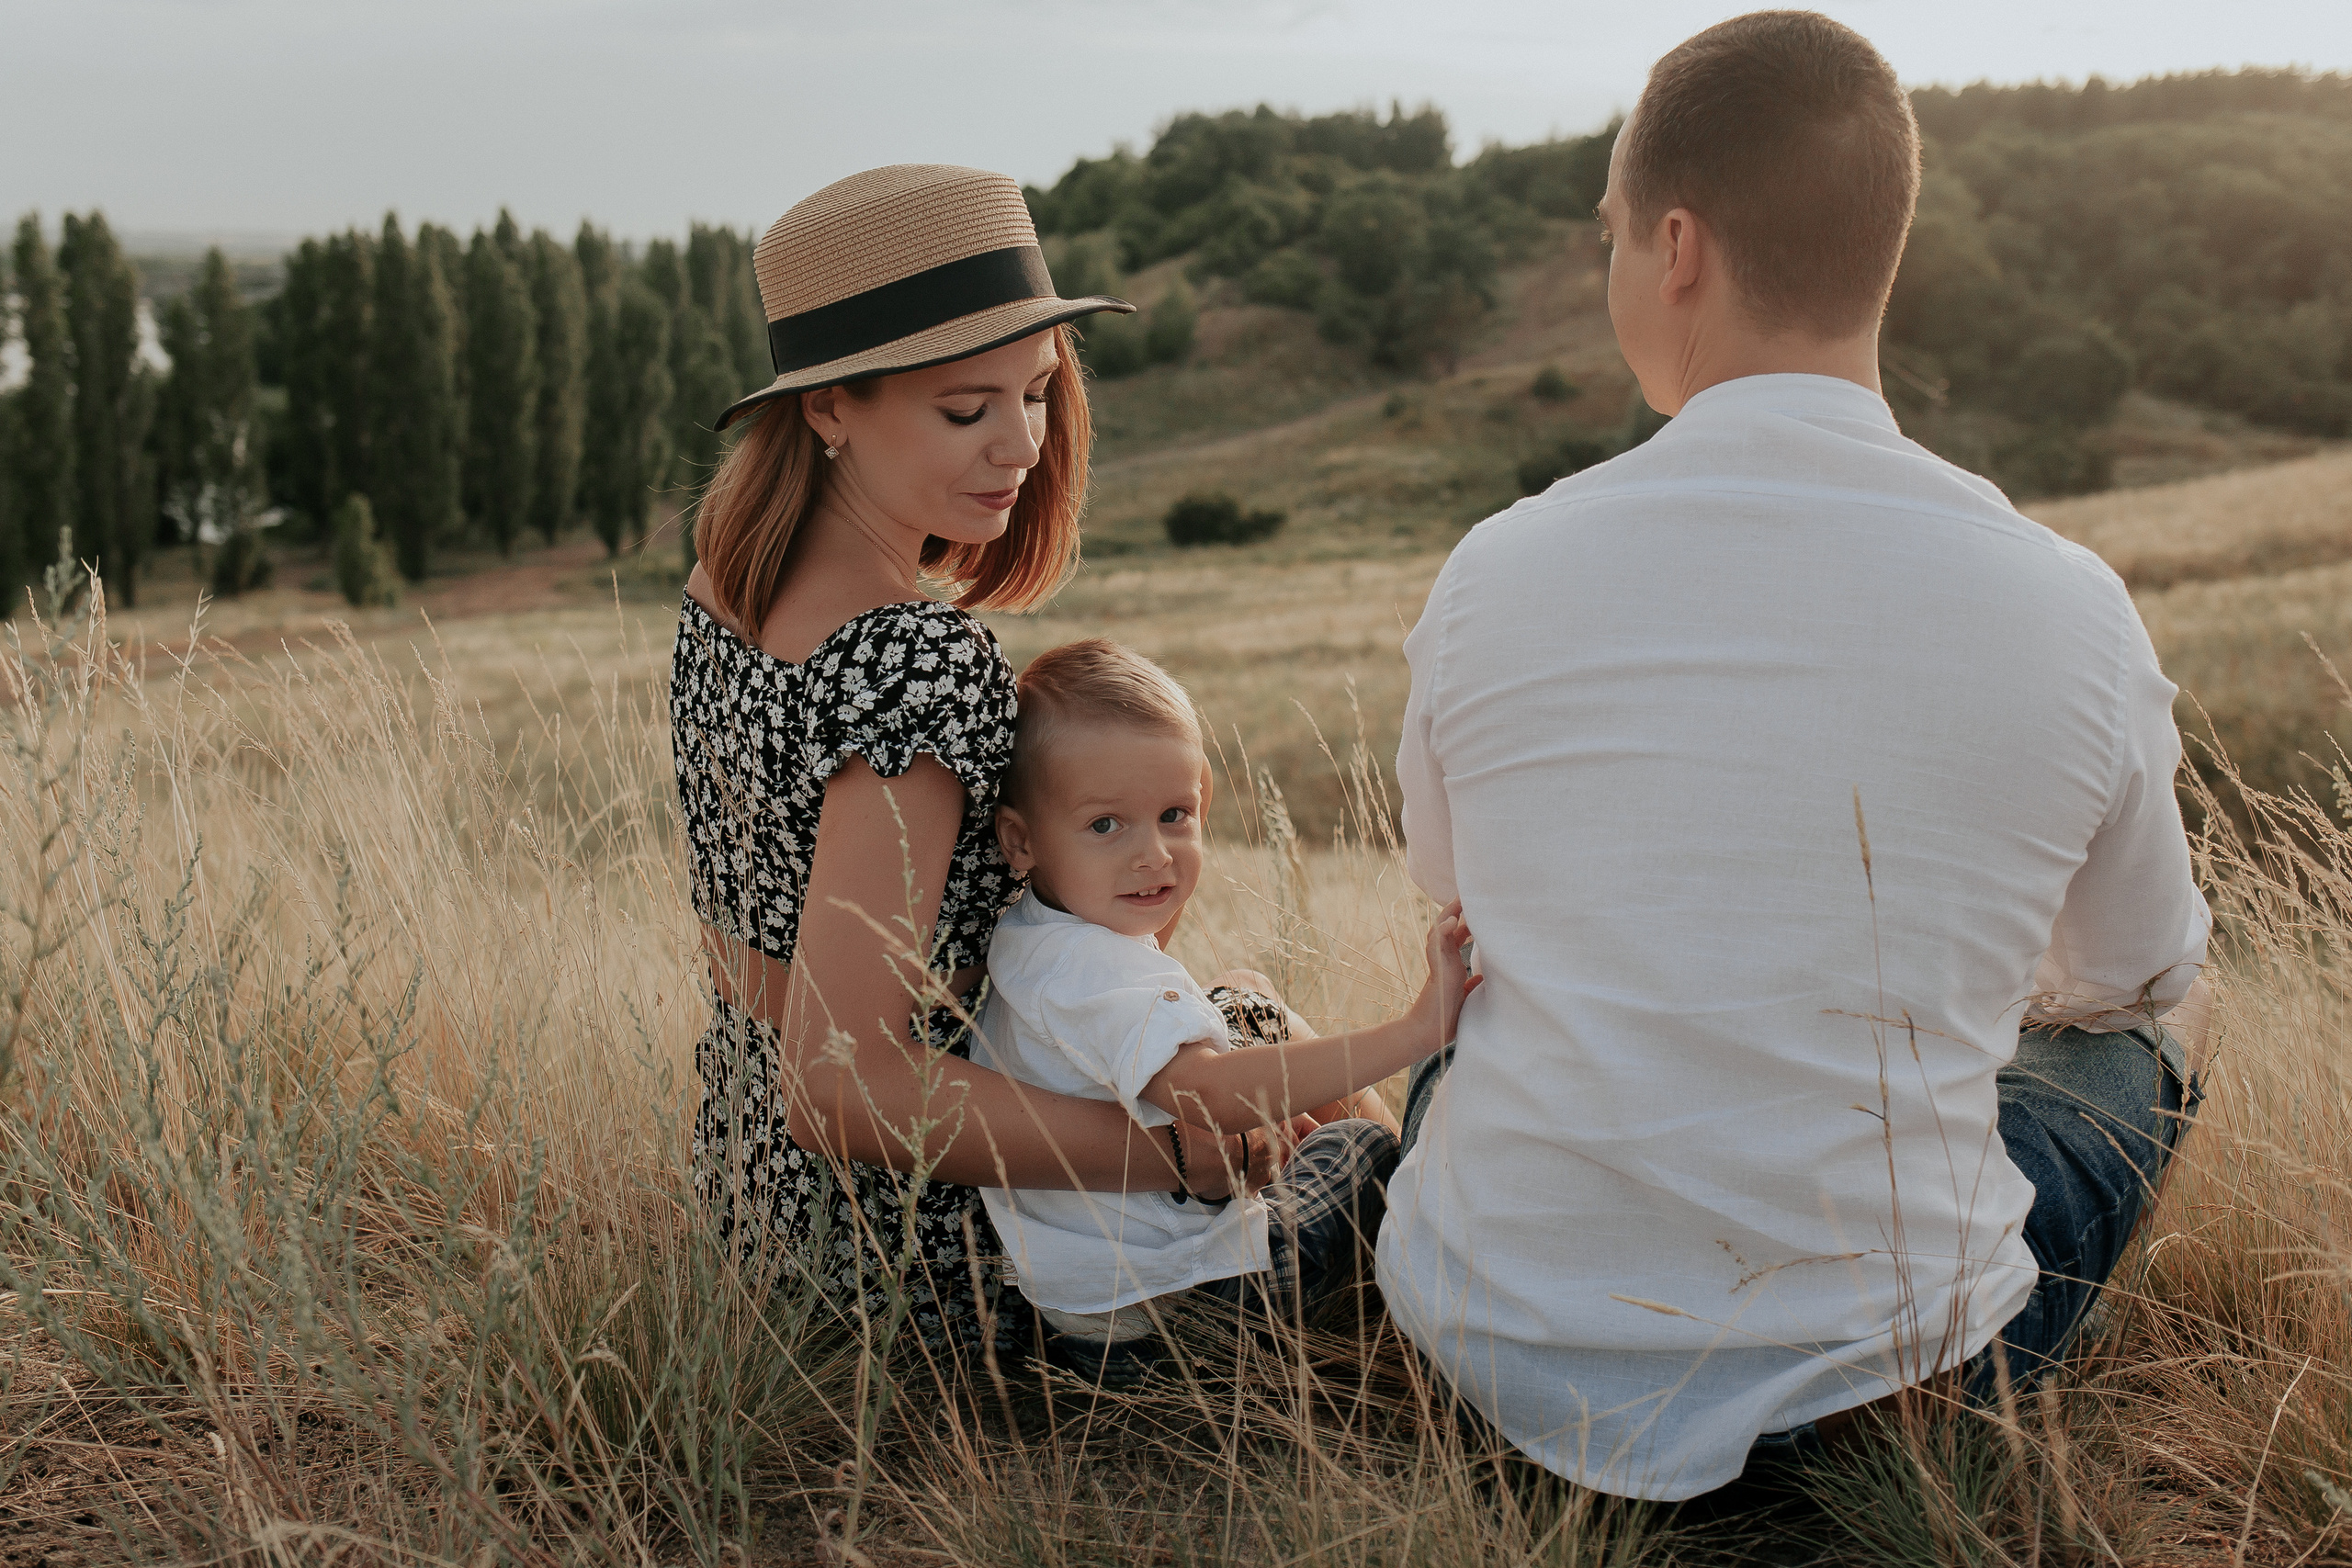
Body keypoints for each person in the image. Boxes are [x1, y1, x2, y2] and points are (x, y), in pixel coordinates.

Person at [1374, 12, 2215, 1502]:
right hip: (1895, 1393)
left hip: (1497, 1364)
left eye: (1613, 238)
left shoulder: (1494, 570)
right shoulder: (2069, 599)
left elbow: (1459, 901)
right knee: (2144, 1050)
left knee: (1462, 1057)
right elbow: (2139, 976)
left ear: (1677, 244)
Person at [673, 164, 1261, 1355]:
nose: (1023, 446)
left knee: (1236, 1035)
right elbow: (840, 1083)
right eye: (966, 409)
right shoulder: (912, 656)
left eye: (1038, 393)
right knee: (1275, 1077)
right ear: (831, 406)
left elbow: (758, 968)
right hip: (915, 1243)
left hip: (755, 1197)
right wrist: (1168, 1161)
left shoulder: (726, 586)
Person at [970, 638, 1462, 1383]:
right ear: (1019, 838)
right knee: (1360, 1148)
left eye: (1174, 815)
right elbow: (1208, 1094)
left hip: (1093, 1323)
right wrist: (1414, 1030)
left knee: (1241, 988)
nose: (1156, 856)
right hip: (1192, 1304)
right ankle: (1441, 1249)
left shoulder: (1026, 934)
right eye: (1107, 824)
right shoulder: (1096, 968)